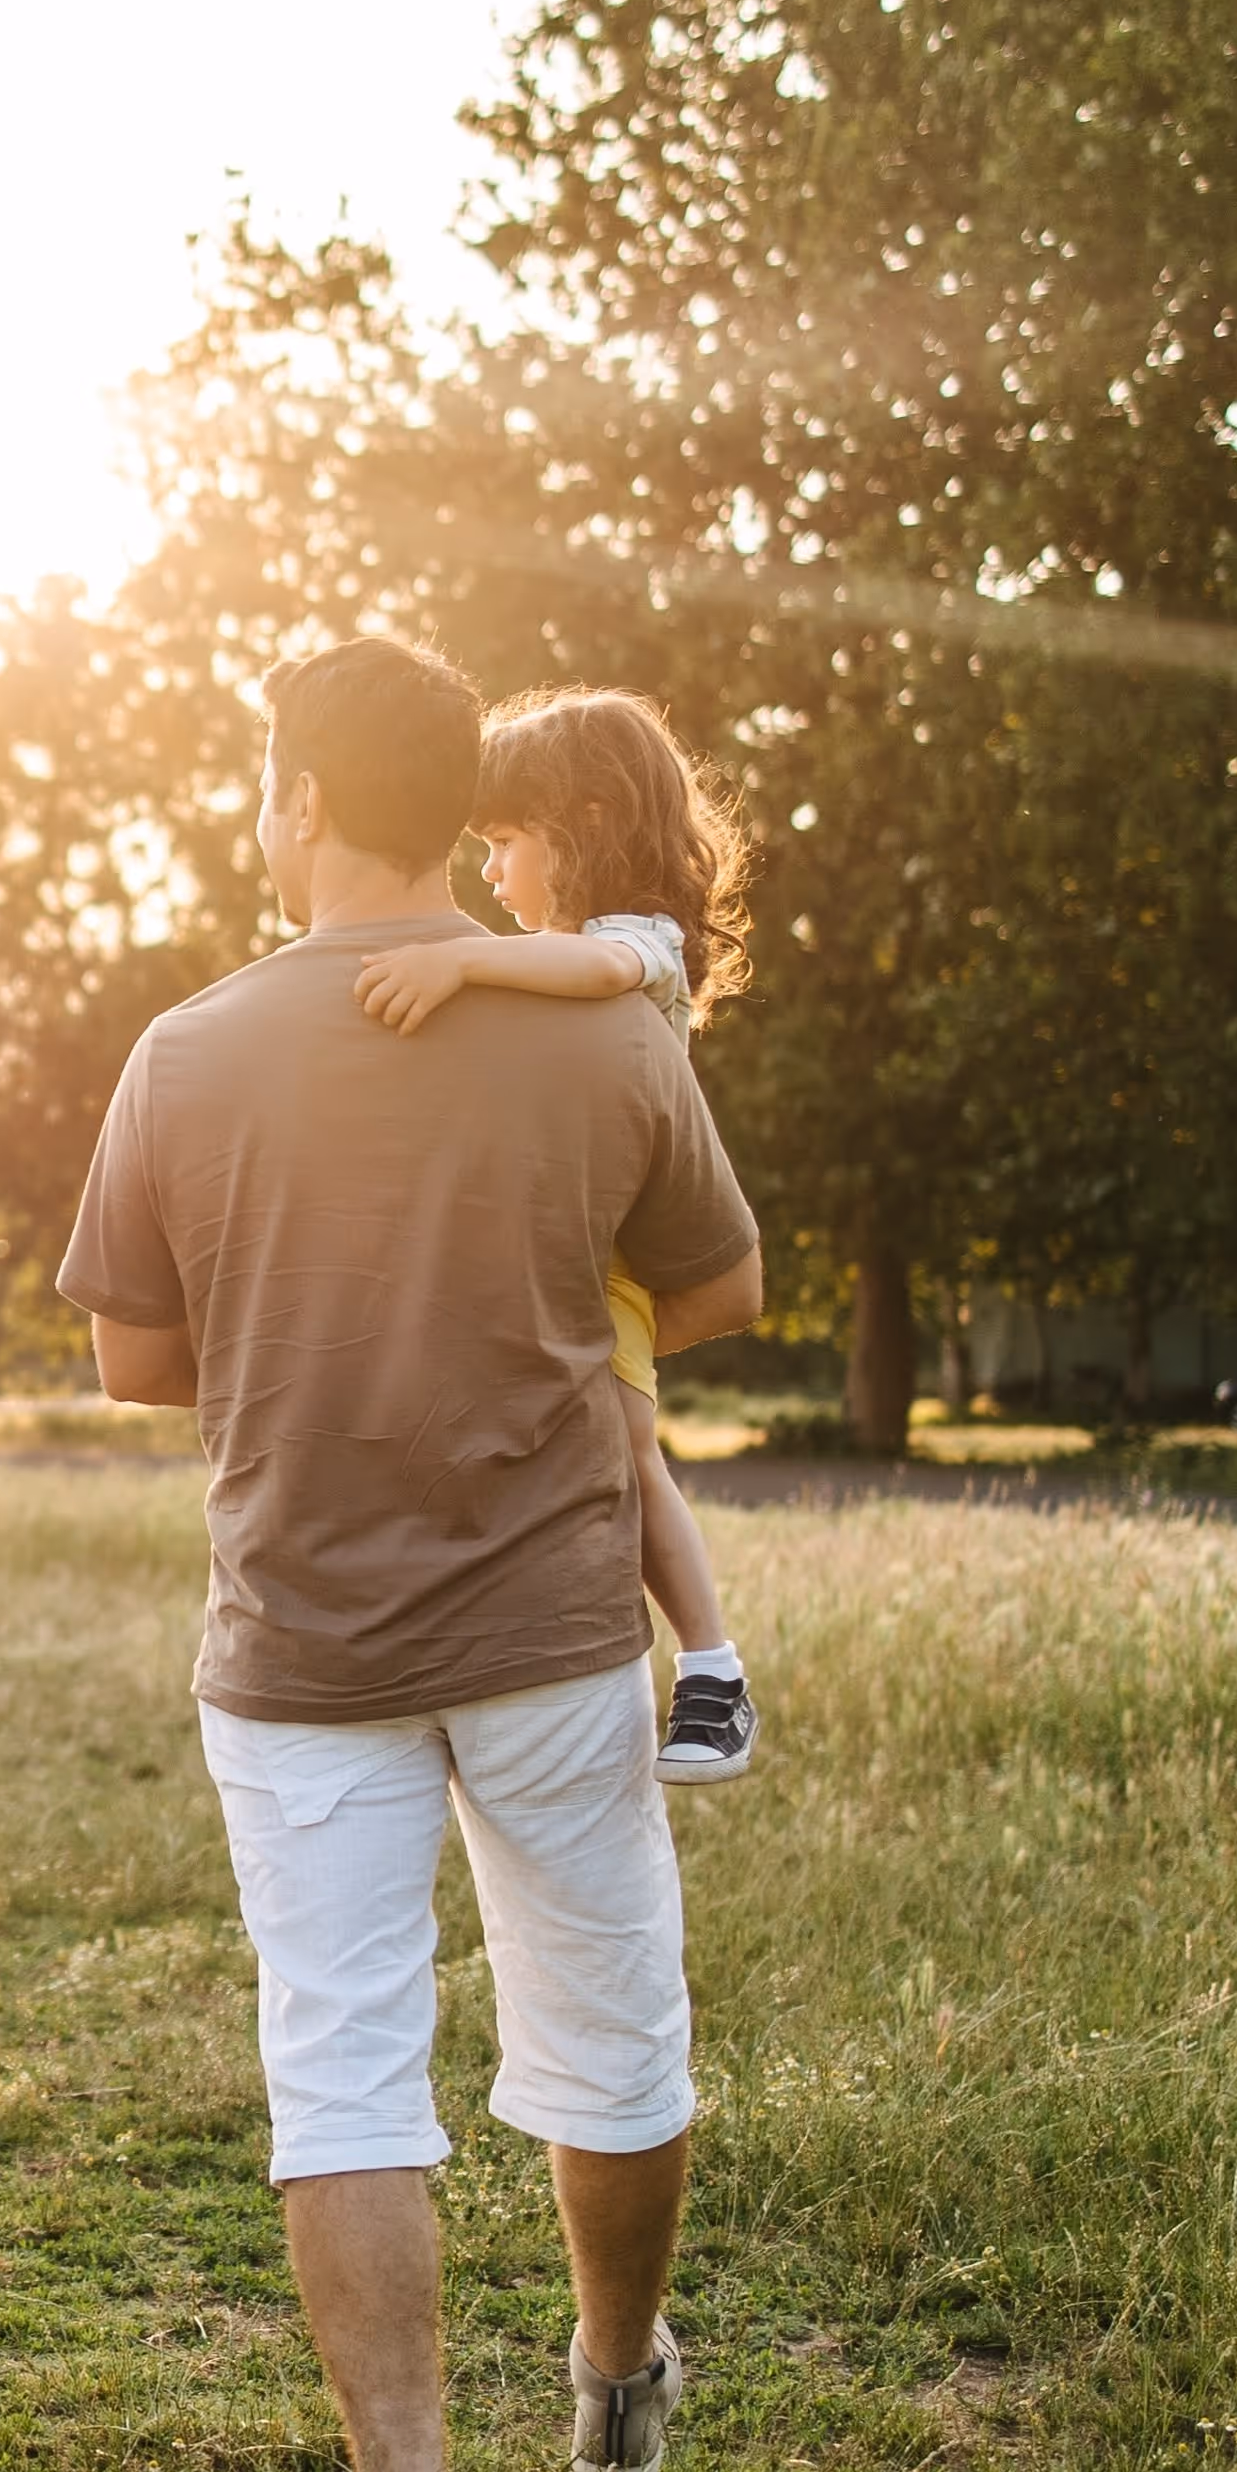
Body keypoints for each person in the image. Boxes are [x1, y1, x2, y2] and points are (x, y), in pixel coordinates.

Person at [56, 637, 764, 2472]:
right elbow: (713, 1287)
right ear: (456, 805)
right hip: (549, 1614)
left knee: (343, 2058)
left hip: (298, 1642)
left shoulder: (184, 1050)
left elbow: (130, 1354)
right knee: (609, 2027)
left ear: (290, 796)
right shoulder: (608, 1022)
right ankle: (613, 2374)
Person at [336, 686, 765, 1783]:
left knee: (624, 1453)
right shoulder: (555, 954)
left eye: (504, 842)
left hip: (612, 1263)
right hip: (563, 1247)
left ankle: (711, 1667)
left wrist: (458, 959)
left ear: (583, 821)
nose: (487, 874)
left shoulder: (635, 946)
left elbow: (594, 969)